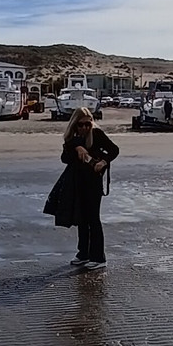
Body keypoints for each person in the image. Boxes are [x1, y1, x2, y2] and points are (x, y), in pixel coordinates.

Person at [60, 107, 119, 270]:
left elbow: (114, 150)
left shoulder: (97, 134)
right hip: (77, 181)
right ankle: (83, 253)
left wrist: (103, 162)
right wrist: (77, 147)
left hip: (93, 182)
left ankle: (99, 257)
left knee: (93, 218)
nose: (85, 128)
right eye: (81, 124)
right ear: (75, 124)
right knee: (82, 219)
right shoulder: (72, 138)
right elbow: (64, 159)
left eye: (88, 124)